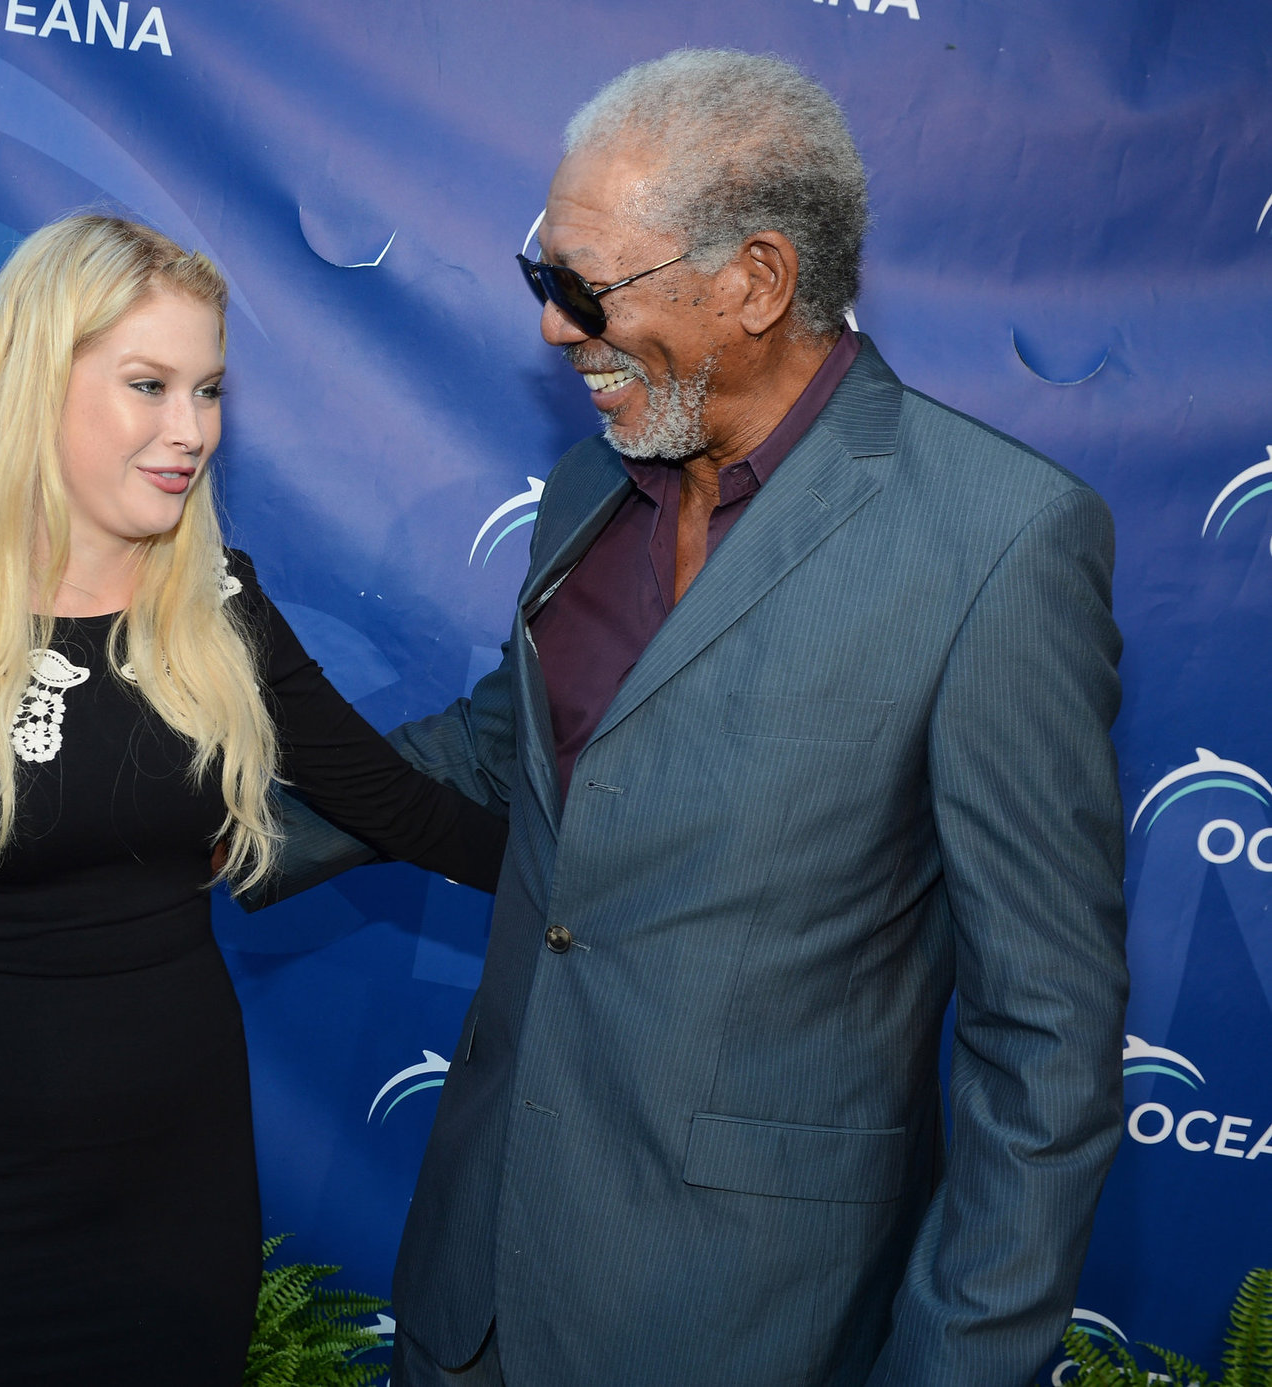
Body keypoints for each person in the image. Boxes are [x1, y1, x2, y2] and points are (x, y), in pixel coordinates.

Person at [258, 49, 1129, 1387]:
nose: (555, 330)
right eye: (541, 277)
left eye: (585, 287)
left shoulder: (999, 541)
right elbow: (507, 753)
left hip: (742, 1319)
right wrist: (200, 824)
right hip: (473, 1281)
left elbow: (1047, 1038)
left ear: (757, 281)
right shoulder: (591, 488)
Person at [0, 214, 507, 1387]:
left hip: (177, 1211)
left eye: (209, 390)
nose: (191, 430)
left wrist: (613, 887)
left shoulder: (219, 609)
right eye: (149, 385)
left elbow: (400, 806)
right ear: (37, 382)